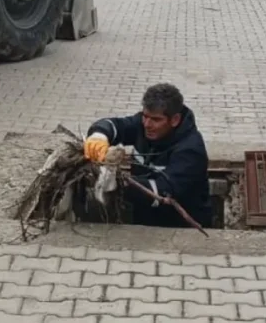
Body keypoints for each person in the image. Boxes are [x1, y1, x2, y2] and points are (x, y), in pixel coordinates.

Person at [82, 83, 212, 228]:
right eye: (145, 116)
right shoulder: (144, 125)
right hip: (144, 218)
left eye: (156, 120)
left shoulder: (190, 150)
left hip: (180, 229)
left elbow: (164, 190)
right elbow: (117, 125)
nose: (147, 124)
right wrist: (99, 135)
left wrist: (120, 183)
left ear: (175, 120)